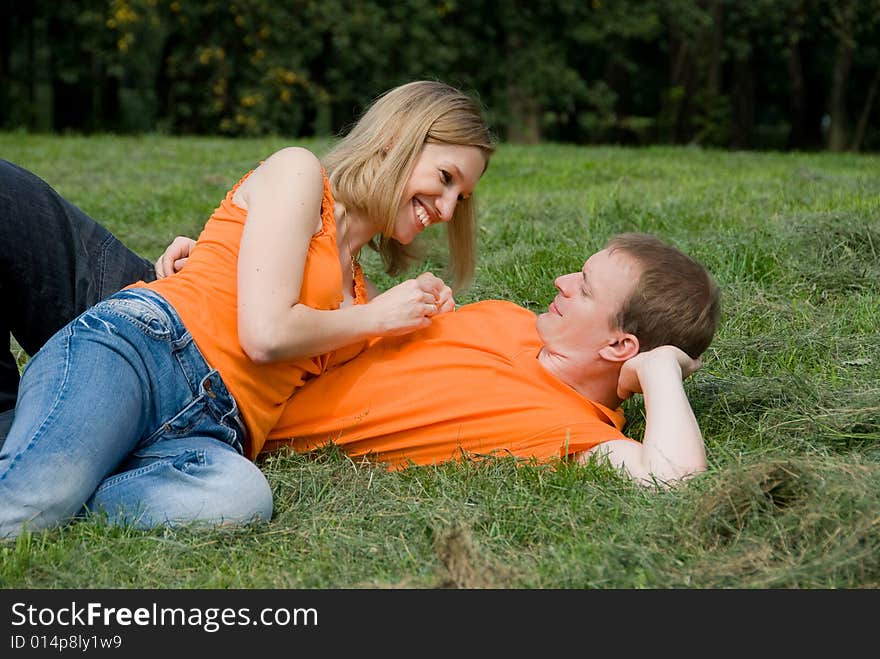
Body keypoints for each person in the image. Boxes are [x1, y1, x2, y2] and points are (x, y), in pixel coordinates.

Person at [0, 79, 495, 538]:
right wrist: (379, 317)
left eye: (461, 196)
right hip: (143, 355)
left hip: (213, 431)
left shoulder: (360, 290)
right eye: (445, 177)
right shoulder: (299, 174)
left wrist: (422, 328)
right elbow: (264, 335)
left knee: (241, 498)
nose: (448, 210)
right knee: (25, 510)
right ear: (398, 140)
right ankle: (54, 488)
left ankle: (78, 484)